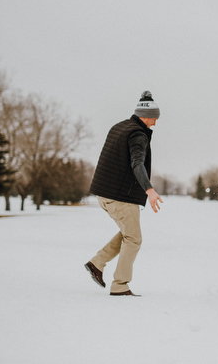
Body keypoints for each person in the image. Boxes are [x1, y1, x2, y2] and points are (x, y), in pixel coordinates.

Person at [84, 91, 162, 296]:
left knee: (129, 234)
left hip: (105, 193)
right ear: (147, 116)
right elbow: (137, 163)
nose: (154, 123)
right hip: (120, 196)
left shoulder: (119, 127)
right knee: (134, 239)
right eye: (154, 118)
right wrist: (149, 189)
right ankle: (120, 285)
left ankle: (97, 263)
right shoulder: (138, 134)